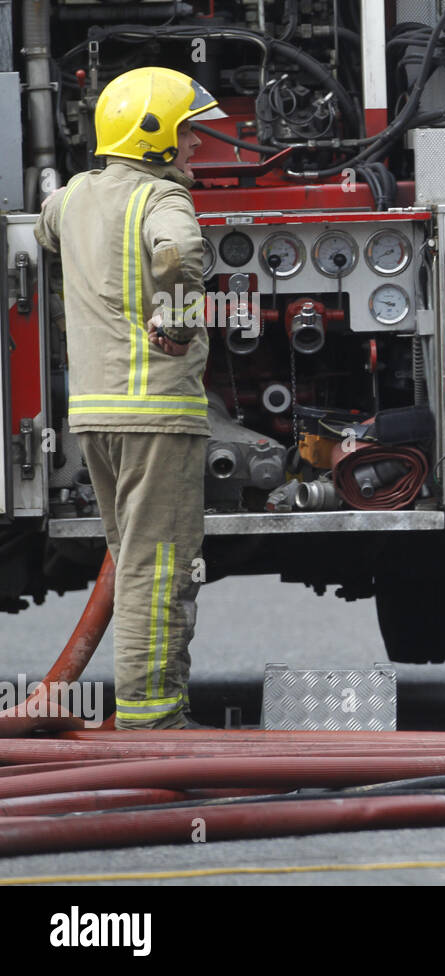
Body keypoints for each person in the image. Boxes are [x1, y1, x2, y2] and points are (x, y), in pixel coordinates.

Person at [35, 67, 224, 729]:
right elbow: (176, 254)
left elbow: (45, 230)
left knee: (135, 557)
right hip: (157, 416)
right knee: (160, 566)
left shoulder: (74, 197)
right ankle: (153, 718)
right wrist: (174, 320)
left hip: (95, 416)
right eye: (188, 132)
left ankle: (146, 711)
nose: (197, 144)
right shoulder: (161, 199)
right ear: (156, 138)